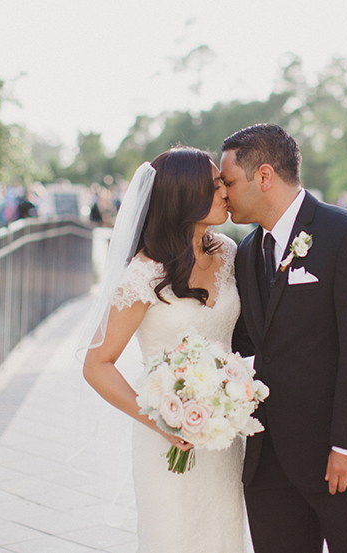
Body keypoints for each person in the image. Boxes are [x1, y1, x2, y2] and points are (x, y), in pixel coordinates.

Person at [220, 123, 347, 553]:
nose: (224, 194)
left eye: (228, 182)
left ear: (264, 177)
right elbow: (248, 343)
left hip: (339, 459)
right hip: (268, 463)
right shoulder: (246, 251)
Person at [82, 147, 246, 553]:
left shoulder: (227, 252)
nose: (225, 192)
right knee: (173, 538)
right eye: (214, 186)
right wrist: (164, 423)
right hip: (168, 436)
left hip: (224, 436)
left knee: (224, 536)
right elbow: (96, 363)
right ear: (185, 195)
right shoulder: (144, 273)